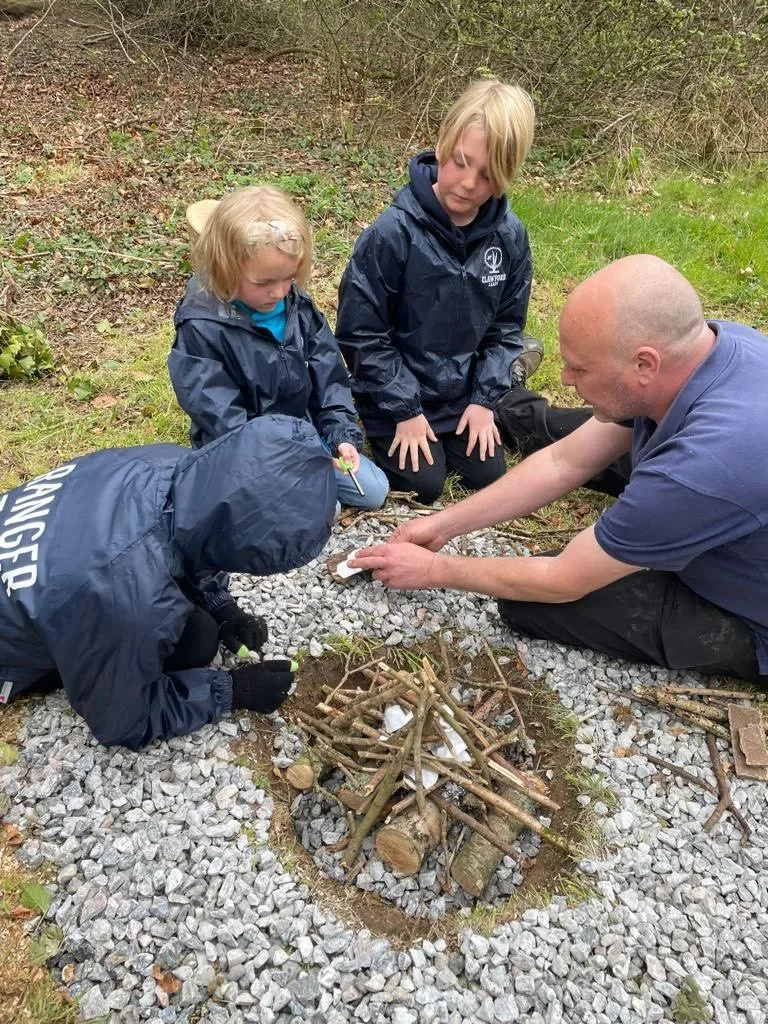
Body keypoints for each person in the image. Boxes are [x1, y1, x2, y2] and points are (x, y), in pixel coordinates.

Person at [351, 255, 768, 684]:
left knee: (529, 602)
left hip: (749, 617)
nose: (565, 378)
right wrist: (442, 525)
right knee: (597, 421)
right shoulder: (708, 348)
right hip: (715, 486)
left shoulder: (696, 471)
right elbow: (564, 460)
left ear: (645, 364)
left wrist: (433, 570)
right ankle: (515, 407)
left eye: (580, 368)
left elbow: (563, 579)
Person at [0, 415, 337, 749]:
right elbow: (124, 720)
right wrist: (234, 691)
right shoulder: (129, 599)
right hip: (13, 646)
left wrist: (222, 607)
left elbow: (195, 532)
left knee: (200, 630)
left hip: (56, 547)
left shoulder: (167, 460)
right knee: (194, 644)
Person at [336, 78, 546, 505]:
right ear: (442, 144)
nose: (468, 183)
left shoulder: (510, 237)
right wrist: (405, 410)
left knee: (487, 474)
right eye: (461, 162)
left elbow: (506, 329)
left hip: (461, 394)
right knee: (425, 484)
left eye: (487, 175)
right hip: (393, 392)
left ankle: (496, 399)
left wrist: (483, 401)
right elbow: (361, 334)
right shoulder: (392, 233)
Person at [169, 185, 389, 511]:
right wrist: (287, 458)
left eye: (288, 278)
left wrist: (341, 436)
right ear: (225, 267)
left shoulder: (298, 307)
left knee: (374, 490)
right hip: (244, 452)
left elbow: (329, 378)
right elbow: (220, 415)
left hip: (304, 436)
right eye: (264, 283)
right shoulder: (202, 326)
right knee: (318, 508)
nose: (278, 292)